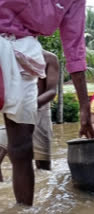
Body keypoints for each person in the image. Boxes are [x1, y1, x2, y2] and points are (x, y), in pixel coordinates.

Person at [0, 1, 94, 205]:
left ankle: (23, 209)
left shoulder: (48, 58)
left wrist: (84, 104)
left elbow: (74, 46)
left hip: (24, 58)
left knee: (22, 148)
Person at [0, 50, 59, 181]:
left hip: (40, 111)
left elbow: (51, 91)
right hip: (14, 110)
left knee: (43, 166)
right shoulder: (8, 54)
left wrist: (30, 106)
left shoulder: (49, 58)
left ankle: (42, 193)